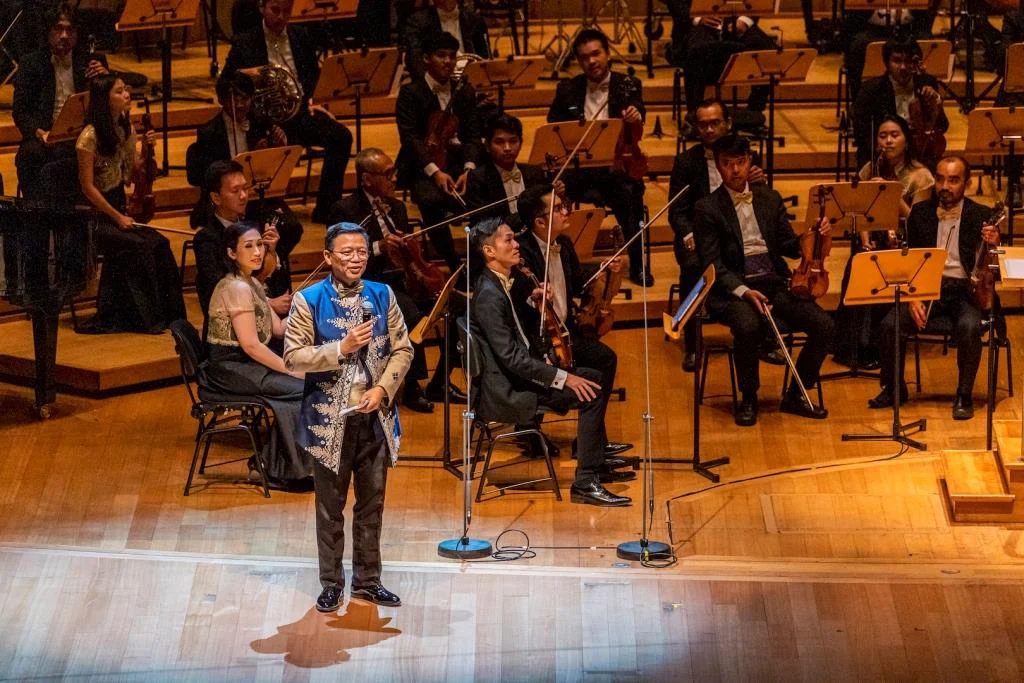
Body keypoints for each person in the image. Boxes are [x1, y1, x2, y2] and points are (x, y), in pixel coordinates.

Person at [283, 222, 413, 612]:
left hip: (374, 419)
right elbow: (293, 357)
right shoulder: (308, 300)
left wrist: (383, 390)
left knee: (372, 505)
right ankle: (331, 583)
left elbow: (402, 350)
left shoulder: (383, 293)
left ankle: (368, 581)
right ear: (328, 257)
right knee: (330, 509)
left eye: (361, 252)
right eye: (347, 252)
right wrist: (340, 346)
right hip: (329, 422)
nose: (356, 259)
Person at [469, 217, 631, 506]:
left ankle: (594, 462)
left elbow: (520, 334)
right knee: (590, 390)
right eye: (508, 239)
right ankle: (586, 481)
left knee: (595, 375)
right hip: (508, 389)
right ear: (489, 251)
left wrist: (536, 306)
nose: (517, 243)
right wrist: (562, 376)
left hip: (517, 376)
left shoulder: (503, 283)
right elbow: (511, 358)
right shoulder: (489, 296)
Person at [694, 134, 835, 427]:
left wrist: (814, 235)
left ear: (750, 162)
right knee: (748, 326)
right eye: (727, 164)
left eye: (741, 162)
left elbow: (787, 244)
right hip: (733, 289)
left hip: (773, 282)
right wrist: (744, 292)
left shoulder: (769, 198)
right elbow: (712, 264)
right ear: (718, 167)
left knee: (825, 325)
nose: (735, 170)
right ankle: (748, 397)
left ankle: (796, 394)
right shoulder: (707, 208)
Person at [511, 184, 634, 474]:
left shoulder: (563, 244)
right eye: (558, 208)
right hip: (537, 343)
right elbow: (517, 306)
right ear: (540, 221)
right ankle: (529, 431)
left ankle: (589, 441)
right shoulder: (522, 253)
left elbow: (577, 283)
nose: (566, 211)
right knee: (591, 376)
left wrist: (603, 270)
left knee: (605, 358)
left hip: (565, 333)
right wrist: (535, 299)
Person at [327, 147, 462, 412]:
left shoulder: (397, 207)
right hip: (367, 285)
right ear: (366, 179)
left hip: (402, 279)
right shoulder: (344, 210)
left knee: (458, 307)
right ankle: (411, 385)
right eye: (387, 174)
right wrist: (378, 246)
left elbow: (406, 253)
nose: (394, 179)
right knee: (411, 314)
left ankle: (440, 381)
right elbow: (340, 260)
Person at [869, 156, 1001, 421]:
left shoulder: (980, 215)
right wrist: (912, 298)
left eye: (953, 180)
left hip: (966, 291)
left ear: (967, 183)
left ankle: (963, 394)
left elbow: (993, 269)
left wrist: (993, 244)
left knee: (969, 327)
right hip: (928, 289)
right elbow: (910, 264)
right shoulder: (920, 214)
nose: (945, 186)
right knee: (889, 324)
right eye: (940, 179)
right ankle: (894, 388)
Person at [222, 0, 353, 224]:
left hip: (299, 113)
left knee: (341, 137)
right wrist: (248, 73)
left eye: (287, 11)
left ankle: (326, 209)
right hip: (262, 120)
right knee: (258, 149)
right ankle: (261, 210)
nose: (281, 16)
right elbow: (226, 82)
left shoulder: (301, 36)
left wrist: (313, 101)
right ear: (262, 8)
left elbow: (311, 75)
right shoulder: (245, 41)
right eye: (276, 10)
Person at [75, 74, 186, 334]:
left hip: (117, 210)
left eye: (126, 90)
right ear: (104, 100)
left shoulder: (126, 129)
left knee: (160, 242)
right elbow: (88, 188)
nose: (126, 95)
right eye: (119, 91)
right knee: (139, 246)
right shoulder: (88, 138)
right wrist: (117, 217)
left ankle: (170, 315)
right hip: (93, 216)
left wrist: (146, 152)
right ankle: (142, 319)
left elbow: (130, 173)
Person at [206, 221, 312, 489]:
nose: (257, 252)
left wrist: (309, 308)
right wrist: (290, 369)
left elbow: (277, 329)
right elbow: (251, 345)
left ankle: (274, 464)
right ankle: (276, 465)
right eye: (248, 246)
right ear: (231, 253)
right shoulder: (236, 288)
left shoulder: (251, 282)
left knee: (307, 385)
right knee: (304, 386)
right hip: (230, 368)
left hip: (245, 365)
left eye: (260, 246)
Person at [668, 98, 766, 371]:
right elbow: (677, 211)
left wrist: (760, 183)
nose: (709, 129)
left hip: (739, 235)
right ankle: (692, 343)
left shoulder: (746, 155)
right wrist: (690, 236)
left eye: (715, 123)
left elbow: (760, 202)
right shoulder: (686, 162)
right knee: (693, 266)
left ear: (728, 124)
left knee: (765, 260)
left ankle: (764, 338)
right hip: (699, 238)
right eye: (703, 124)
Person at [547, 28, 650, 287]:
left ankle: (638, 266)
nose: (591, 61)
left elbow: (639, 109)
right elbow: (554, 127)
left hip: (614, 171)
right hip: (579, 171)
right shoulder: (568, 89)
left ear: (607, 53)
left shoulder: (627, 84)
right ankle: (566, 269)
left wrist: (636, 113)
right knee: (552, 195)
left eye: (596, 54)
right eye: (584, 57)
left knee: (632, 194)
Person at [395, 30, 481, 272]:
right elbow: (411, 139)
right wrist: (435, 173)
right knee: (430, 200)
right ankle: (454, 264)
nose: (447, 61)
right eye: (441, 55)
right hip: (423, 166)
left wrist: (469, 169)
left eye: (452, 56)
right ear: (425, 58)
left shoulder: (464, 91)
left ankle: (477, 260)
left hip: (458, 162)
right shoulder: (410, 93)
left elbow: (473, 135)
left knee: (484, 195)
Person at [13, 3, 108, 200]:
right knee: (28, 155)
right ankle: (37, 216)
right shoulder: (31, 63)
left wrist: (106, 80)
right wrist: (41, 133)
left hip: (82, 135)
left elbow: (107, 106)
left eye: (69, 29)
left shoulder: (92, 62)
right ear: (48, 32)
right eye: (58, 29)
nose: (64, 35)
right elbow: (20, 112)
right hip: (46, 136)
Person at [194, 160, 294, 322]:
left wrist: (273, 253)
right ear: (216, 197)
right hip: (232, 328)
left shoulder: (254, 229)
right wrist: (268, 304)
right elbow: (221, 291)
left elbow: (281, 287)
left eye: (245, 189)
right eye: (235, 191)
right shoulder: (206, 239)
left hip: (269, 321)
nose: (244, 196)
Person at [662, 3, 775, 122]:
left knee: (764, 47)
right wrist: (698, 18)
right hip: (694, 26)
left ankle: (754, 113)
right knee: (698, 49)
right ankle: (695, 115)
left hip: (735, 24)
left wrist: (744, 20)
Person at [852, 36, 948, 171]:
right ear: (887, 63)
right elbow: (860, 132)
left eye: (908, 61)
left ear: (916, 63)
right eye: (897, 61)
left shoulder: (927, 83)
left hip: (919, 153)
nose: (903, 67)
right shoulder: (871, 89)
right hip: (883, 154)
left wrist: (935, 104)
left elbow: (943, 126)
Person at [464, 114, 549, 219]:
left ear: (521, 143)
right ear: (487, 146)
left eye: (513, 141)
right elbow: (482, 224)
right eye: (499, 142)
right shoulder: (478, 178)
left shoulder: (535, 173)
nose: (507, 148)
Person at [843, 9, 934, 102]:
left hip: (909, 28)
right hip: (870, 28)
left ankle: (925, 97)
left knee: (928, 42)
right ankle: (859, 102)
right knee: (858, 45)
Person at [403, 0, 490, 79]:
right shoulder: (417, 22)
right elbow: (415, 60)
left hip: (471, 80)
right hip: (435, 84)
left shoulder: (476, 21)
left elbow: (485, 59)